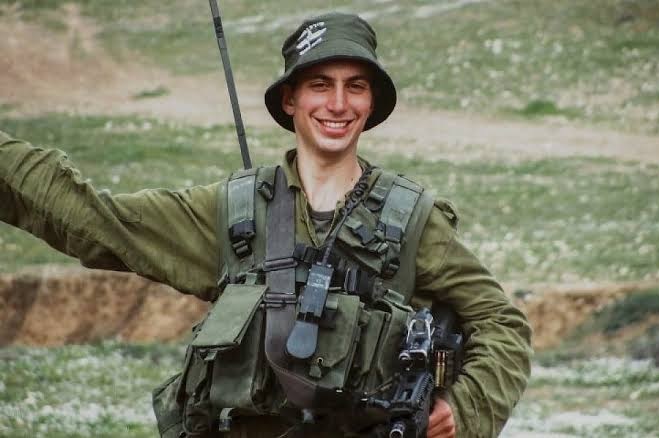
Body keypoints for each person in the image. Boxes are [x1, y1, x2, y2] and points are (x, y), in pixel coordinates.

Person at [0, 12, 531, 438]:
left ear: (371, 103)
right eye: (320, 84)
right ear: (290, 99)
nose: (338, 104)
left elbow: (502, 323)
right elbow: (101, 222)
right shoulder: (234, 212)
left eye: (356, 86)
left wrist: (463, 408)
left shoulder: (412, 220)